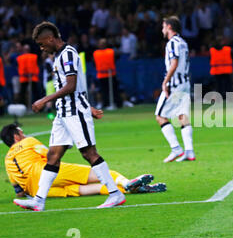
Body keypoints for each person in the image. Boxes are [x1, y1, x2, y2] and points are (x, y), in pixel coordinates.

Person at [12, 21, 126, 212]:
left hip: (74, 112)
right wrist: (89, 107)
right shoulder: (57, 57)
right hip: (62, 113)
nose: (42, 48)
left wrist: (44, 100)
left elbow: (71, 86)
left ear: (49, 38)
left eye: (42, 44)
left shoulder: (68, 54)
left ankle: (115, 194)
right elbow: (77, 88)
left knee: (89, 153)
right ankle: (39, 200)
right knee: (53, 156)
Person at [1, 124, 166, 199]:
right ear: (17, 136)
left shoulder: (7, 159)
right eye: (21, 133)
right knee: (106, 174)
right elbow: (52, 155)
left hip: (39, 191)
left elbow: (18, 190)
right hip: (47, 174)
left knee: (86, 190)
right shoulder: (28, 142)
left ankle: (135, 190)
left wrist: (25, 194)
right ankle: (127, 182)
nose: (23, 135)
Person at [155, 16, 195, 163]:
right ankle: (189, 152)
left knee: (160, 116)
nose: (162, 29)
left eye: (163, 26)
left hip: (175, 84)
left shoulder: (172, 43)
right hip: (185, 83)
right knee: (182, 116)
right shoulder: (183, 42)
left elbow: (174, 63)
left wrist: (165, 82)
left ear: (169, 27)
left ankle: (176, 149)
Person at [93, 38, 122, 109]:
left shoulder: (110, 51)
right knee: (105, 91)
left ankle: (116, 103)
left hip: (111, 74)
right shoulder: (96, 53)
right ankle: (107, 104)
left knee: (113, 90)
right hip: (102, 75)